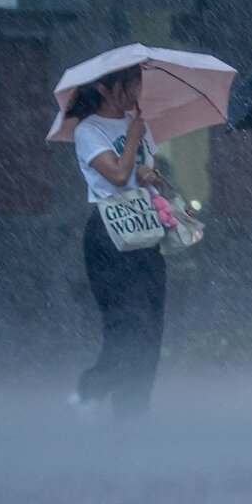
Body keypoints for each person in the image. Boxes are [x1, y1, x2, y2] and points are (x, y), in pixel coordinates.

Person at [67, 63, 168, 419]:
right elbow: (117, 173)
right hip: (109, 233)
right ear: (106, 89)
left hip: (144, 228)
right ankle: (90, 391)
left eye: (140, 83)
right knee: (127, 325)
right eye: (131, 84)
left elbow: (143, 176)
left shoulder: (139, 125)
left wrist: (150, 173)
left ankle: (133, 414)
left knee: (152, 329)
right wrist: (136, 141)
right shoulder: (88, 130)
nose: (138, 91)